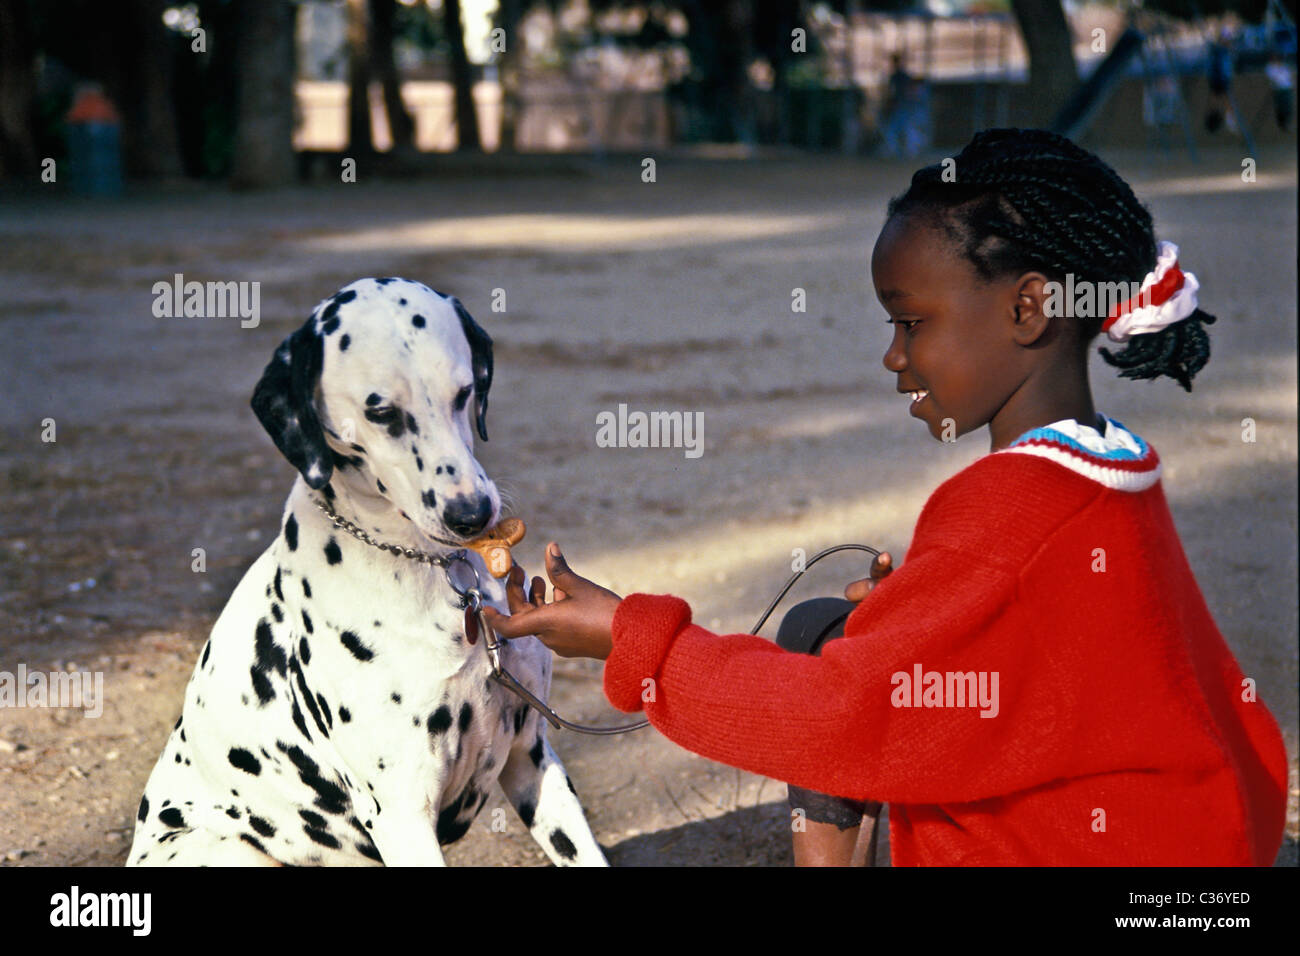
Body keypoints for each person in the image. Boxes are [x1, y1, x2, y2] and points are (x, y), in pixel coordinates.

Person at [484, 129, 1290, 867]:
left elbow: (841, 721)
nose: (892, 358)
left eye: (912, 324)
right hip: (1192, 844)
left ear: (1029, 307)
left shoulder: (1003, 512)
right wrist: (925, 613)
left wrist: (631, 639)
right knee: (823, 627)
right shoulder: (1113, 465)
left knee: (848, 691)